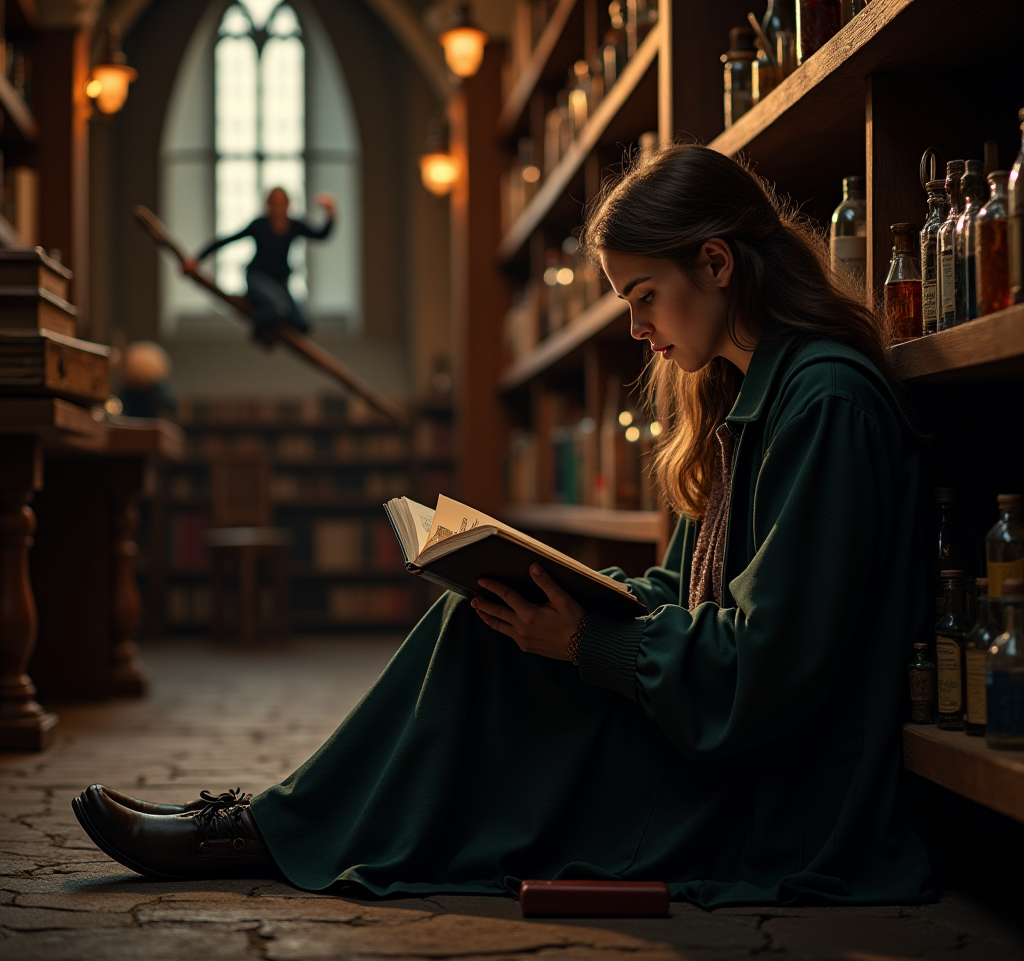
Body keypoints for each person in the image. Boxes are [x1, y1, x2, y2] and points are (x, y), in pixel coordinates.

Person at [73, 144, 932, 906]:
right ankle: (277, 824)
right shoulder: (747, 393)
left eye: (644, 297)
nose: (636, 330)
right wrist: (568, 592)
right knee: (484, 609)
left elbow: (770, 671)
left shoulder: (825, 402)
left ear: (715, 262)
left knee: (485, 652)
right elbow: (684, 588)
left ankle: (267, 831)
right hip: (712, 722)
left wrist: (590, 644)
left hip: (773, 791)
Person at [182, 187, 336, 342]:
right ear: (268, 205)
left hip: (279, 285)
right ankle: (258, 324)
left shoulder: (294, 225)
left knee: (303, 324)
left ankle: (268, 327)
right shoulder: (259, 225)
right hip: (257, 279)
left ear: (288, 205)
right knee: (279, 308)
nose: (278, 208)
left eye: (281, 203)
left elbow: (321, 235)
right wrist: (196, 259)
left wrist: (331, 213)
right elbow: (226, 240)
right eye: (274, 203)